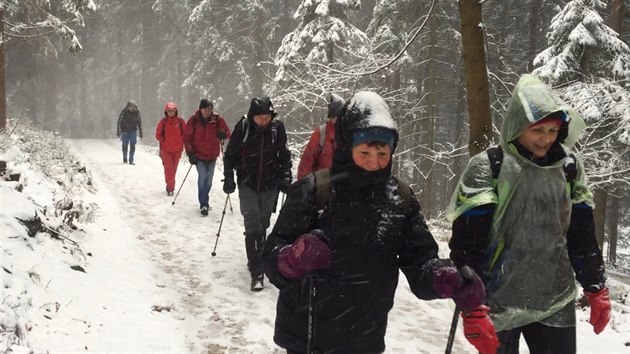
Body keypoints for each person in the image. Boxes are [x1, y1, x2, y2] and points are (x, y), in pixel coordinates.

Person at [260, 91, 492, 353]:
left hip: (365, 335)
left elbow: (419, 262)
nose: (374, 163)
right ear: (348, 148)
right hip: (307, 333)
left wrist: (443, 278)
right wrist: (293, 257)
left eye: (382, 153)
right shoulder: (314, 191)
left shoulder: (399, 199)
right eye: (365, 152)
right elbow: (271, 258)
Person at [447, 74, 611, 354]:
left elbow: (580, 234)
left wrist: (595, 285)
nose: (546, 139)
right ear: (517, 127)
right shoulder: (489, 166)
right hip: (496, 298)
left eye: (552, 130)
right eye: (538, 130)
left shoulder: (568, 168)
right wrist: (471, 304)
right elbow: (467, 244)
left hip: (554, 298)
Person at [223, 96, 292, 291]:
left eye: (267, 117)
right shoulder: (244, 128)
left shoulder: (277, 129)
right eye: (260, 117)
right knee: (252, 222)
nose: (263, 121)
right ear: (253, 116)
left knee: (263, 223)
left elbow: (284, 155)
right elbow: (230, 155)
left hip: (270, 184)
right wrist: (229, 177)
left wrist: (286, 176)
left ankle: (256, 256)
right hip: (247, 183)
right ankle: (257, 271)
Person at [183, 98, 231, 216]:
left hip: (212, 156)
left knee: (208, 181)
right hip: (198, 156)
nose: (208, 111)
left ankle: (205, 200)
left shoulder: (217, 120)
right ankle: (203, 204)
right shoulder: (194, 120)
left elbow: (228, 133)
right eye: (205, 109)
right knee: (202, 177)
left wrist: (223, 134)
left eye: (210, 109)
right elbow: (187, 138)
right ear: (201, 108)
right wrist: (190, 153)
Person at [296, 93, 345, 180]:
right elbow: (307, 161)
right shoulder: (321, 133)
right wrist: (303, 184)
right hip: (323, 186)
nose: (335, 120)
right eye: (332, 117)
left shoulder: (350, 135)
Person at [155, 102, 186, 196]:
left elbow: (185, 134)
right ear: (166, 112)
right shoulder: (163, 122)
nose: (171, 113)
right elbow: (158, 135)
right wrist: (164, 141)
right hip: (166, 150)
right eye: (169, 111)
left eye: (173, 111)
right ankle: (170, 188)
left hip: (177, 150)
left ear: (176, 111)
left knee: (173, 170)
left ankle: (169, 184)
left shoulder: (180, 122)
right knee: (169, 169)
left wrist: (182, 143)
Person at [117, 100, 143, 164]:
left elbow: (139, 122)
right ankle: (125, 158)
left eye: (133, 106)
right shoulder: (123, 113)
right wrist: (118, 130)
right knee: (125, 145)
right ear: (128, 107)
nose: (132, 108)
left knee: (132, 145)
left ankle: (131, 160)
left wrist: (140, 132)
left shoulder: (137, 113)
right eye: (130, 106)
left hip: (133, 131)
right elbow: (119, 122)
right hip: (125, 131)